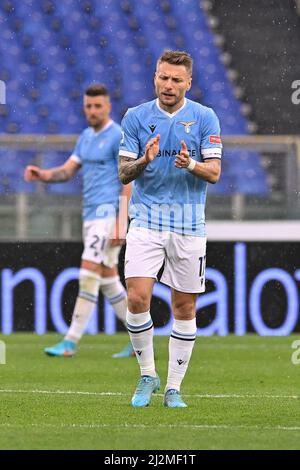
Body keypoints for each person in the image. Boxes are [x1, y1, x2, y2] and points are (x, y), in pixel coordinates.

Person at [118, 50, 222, 407]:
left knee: (184, 308)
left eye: (177, 80)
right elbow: (122, 172)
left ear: (188, 83)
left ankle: (174, 388)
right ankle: (147, 374)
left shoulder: (205, 118)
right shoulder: (135, 117)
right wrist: (144, 160)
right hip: (146, 221)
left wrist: (190, 163)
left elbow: (214, 173)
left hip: (189, 226)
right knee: (136, 297)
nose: (169, 85)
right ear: (155, 78)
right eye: (164, 77)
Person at [24, 84, 133, 358]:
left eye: (98, 106)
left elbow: (128, 179)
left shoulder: (117, 135)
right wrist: (44, 175)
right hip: (91, 214)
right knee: (107, 278)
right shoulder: (85, 137)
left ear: (108, 107)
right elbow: (68, 170)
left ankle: (70, 341)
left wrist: (122, 220)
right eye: (89, 106)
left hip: (107, 214)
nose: (93, 111)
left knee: (88, 273)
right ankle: (139, 338)